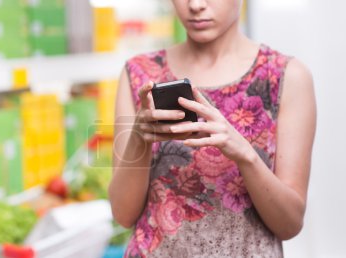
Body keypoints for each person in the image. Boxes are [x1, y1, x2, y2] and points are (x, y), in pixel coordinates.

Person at [108, 0, 316, 257]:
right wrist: (139, 139)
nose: (195, 5)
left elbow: (290, 224)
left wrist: (245, 155)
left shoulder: (286, 76)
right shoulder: (139, 73)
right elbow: (123, 214)